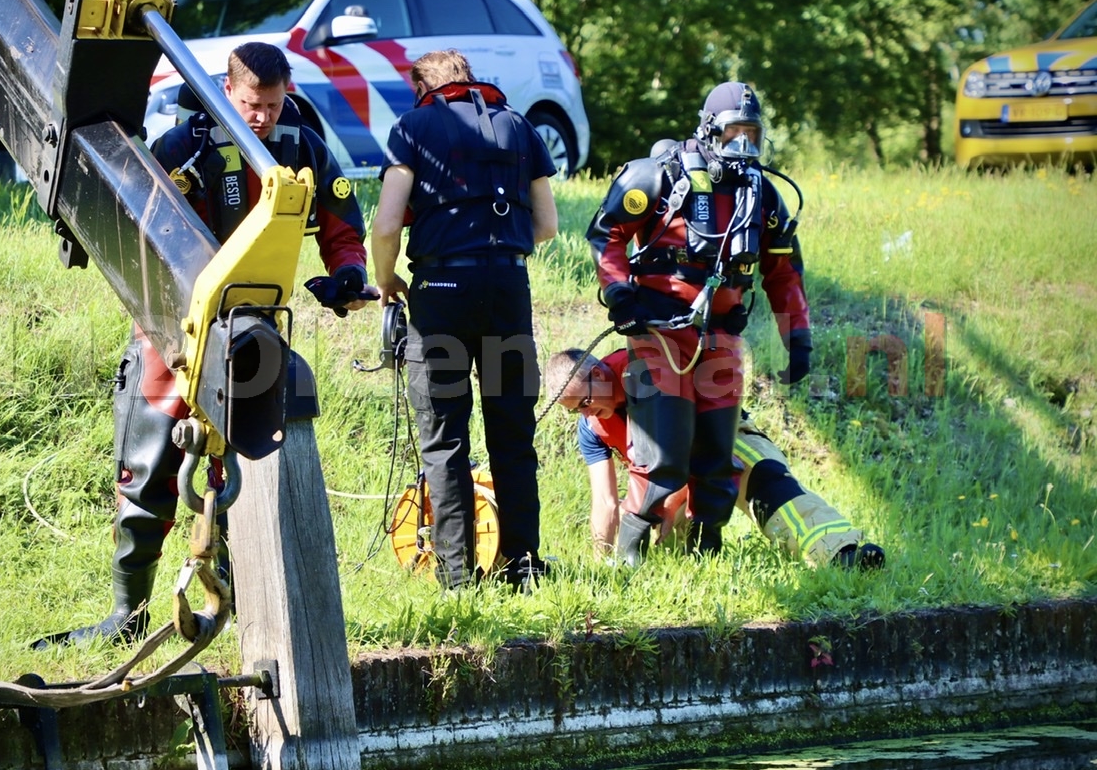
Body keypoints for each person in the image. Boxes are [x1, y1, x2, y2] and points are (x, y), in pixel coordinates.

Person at [46, 42, 376, 646]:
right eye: (252, 105)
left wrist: (348, 273)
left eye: (273, 105)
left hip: (253, 335)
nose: (263, 118)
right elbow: (137, 229)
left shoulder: (302, 148)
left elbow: (341, 224)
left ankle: (237, 602)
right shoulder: (184, 148)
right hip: (173, 332)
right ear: (229, 90)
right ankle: (127, 614)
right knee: (147, 470)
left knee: (241, 472)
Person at [586, 81, 811, 564]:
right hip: (660, 335)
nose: (744, 146)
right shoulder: (659, 178)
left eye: (753, 134)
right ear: (709, 131)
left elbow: (783, 273)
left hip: (721, 337)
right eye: (734, 134)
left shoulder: (763, 196)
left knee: (715, 457)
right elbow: (606, 235)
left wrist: (798, 337)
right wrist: (621, 292)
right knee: (661, 454)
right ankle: (628, 556)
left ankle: (704, 552)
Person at [372, 49, 559, 591]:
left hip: (442, 292)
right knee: (513, 434)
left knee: (445, 437)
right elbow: (545, 225)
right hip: (507, 290)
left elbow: (387, 224)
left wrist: (386, 280)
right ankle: (523, 567)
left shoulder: (413, 126)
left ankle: (458, 577)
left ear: (422, 88)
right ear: (470, 79)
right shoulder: (520, 126)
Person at [544, 349, 885, 569]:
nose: (584, 414)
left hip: (723, 442)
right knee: (665, 543)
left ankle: (841, 553)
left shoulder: (645, 374)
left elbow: (679, 448)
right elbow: (604, 501)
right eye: (573, 411)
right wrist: (602, 563)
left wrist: (668, 503)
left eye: (584, 402)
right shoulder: (591, 426)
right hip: (669, 479)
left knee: (768, 490)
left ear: (601, 374)